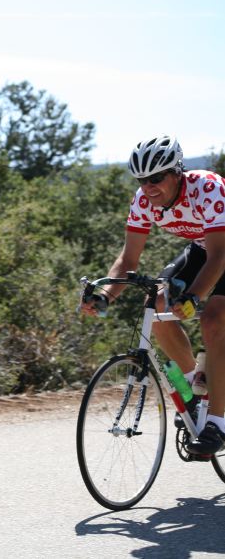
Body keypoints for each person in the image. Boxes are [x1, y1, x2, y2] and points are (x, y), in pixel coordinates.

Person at [81, 136, 225, 457]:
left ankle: (217, 422)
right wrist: (105, 295)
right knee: (158, 305)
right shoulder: (143, 201)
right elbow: (128, 261)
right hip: (204, 249)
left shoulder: (208, 189)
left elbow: (219, 258)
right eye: (142, 180)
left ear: (177, 173)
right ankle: (192, 391)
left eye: (157, 178)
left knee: (214, 318)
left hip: (221, 251)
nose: (148, 187)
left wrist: (194, 298)